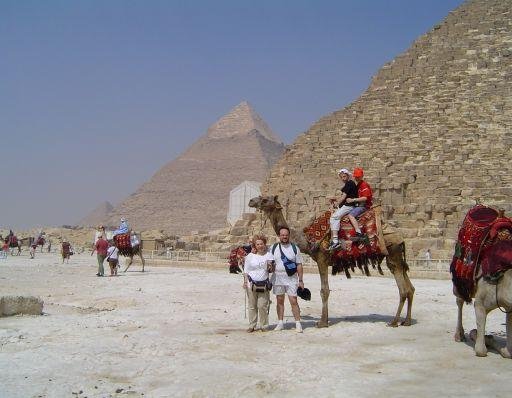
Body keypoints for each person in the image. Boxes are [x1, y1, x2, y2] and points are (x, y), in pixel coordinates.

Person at [271, 226, 304, 333]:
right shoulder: (273, 247)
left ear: (289, 235)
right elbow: (268, 260)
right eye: (282, 235)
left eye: (286, 235)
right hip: (278, 278)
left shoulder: (294, 248)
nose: (284, 237)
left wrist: (301, 280)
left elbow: (299, 265)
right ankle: (280, 322)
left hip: (291, 279)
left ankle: (298, 323)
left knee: (293, 300)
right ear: (279, 236)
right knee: (279, 300)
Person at [243, 234, 274, 332]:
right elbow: (246, 271)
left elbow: (272, 270)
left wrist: (271, 267)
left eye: (261, 244)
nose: (260, 246)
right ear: (255, 245)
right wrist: (245, 282)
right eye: (258, 244)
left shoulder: (269, 255)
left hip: (264, 284)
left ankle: (264, 325)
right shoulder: (250, 256)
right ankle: (252, 325)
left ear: (265, 244)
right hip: (251, 284)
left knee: (262, 306)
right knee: (252, 305)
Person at [328, 168, 361, 250]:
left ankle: (335, 241)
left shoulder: (349, 183)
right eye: (341, 177)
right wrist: (336, 199)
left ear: (348, 175)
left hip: (349, 206)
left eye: (344, 176)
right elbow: (345, 196)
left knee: (334, 217)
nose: (343, 178)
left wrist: (336, 204)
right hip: (347, 205)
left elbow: (343, 197)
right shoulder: (348, 184)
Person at [346, 167, 373, 237]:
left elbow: (365, 198)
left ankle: (359, 232)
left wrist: (353, 200)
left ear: (361, 176)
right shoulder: (359, 184)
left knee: (350, 215)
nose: (356, 178)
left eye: (358, 177)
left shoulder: (364, 185)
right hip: (358, 205)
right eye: (356, 177)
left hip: (364, 206)